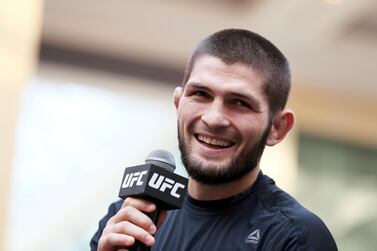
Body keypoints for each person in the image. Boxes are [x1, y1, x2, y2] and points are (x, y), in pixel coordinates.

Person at [90, 28, 337, 250]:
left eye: (240, 103)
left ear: (277, 128)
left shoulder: (296, 238)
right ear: (178, 103)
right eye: (200, 94)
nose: (214, 118)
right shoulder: (128, 221)